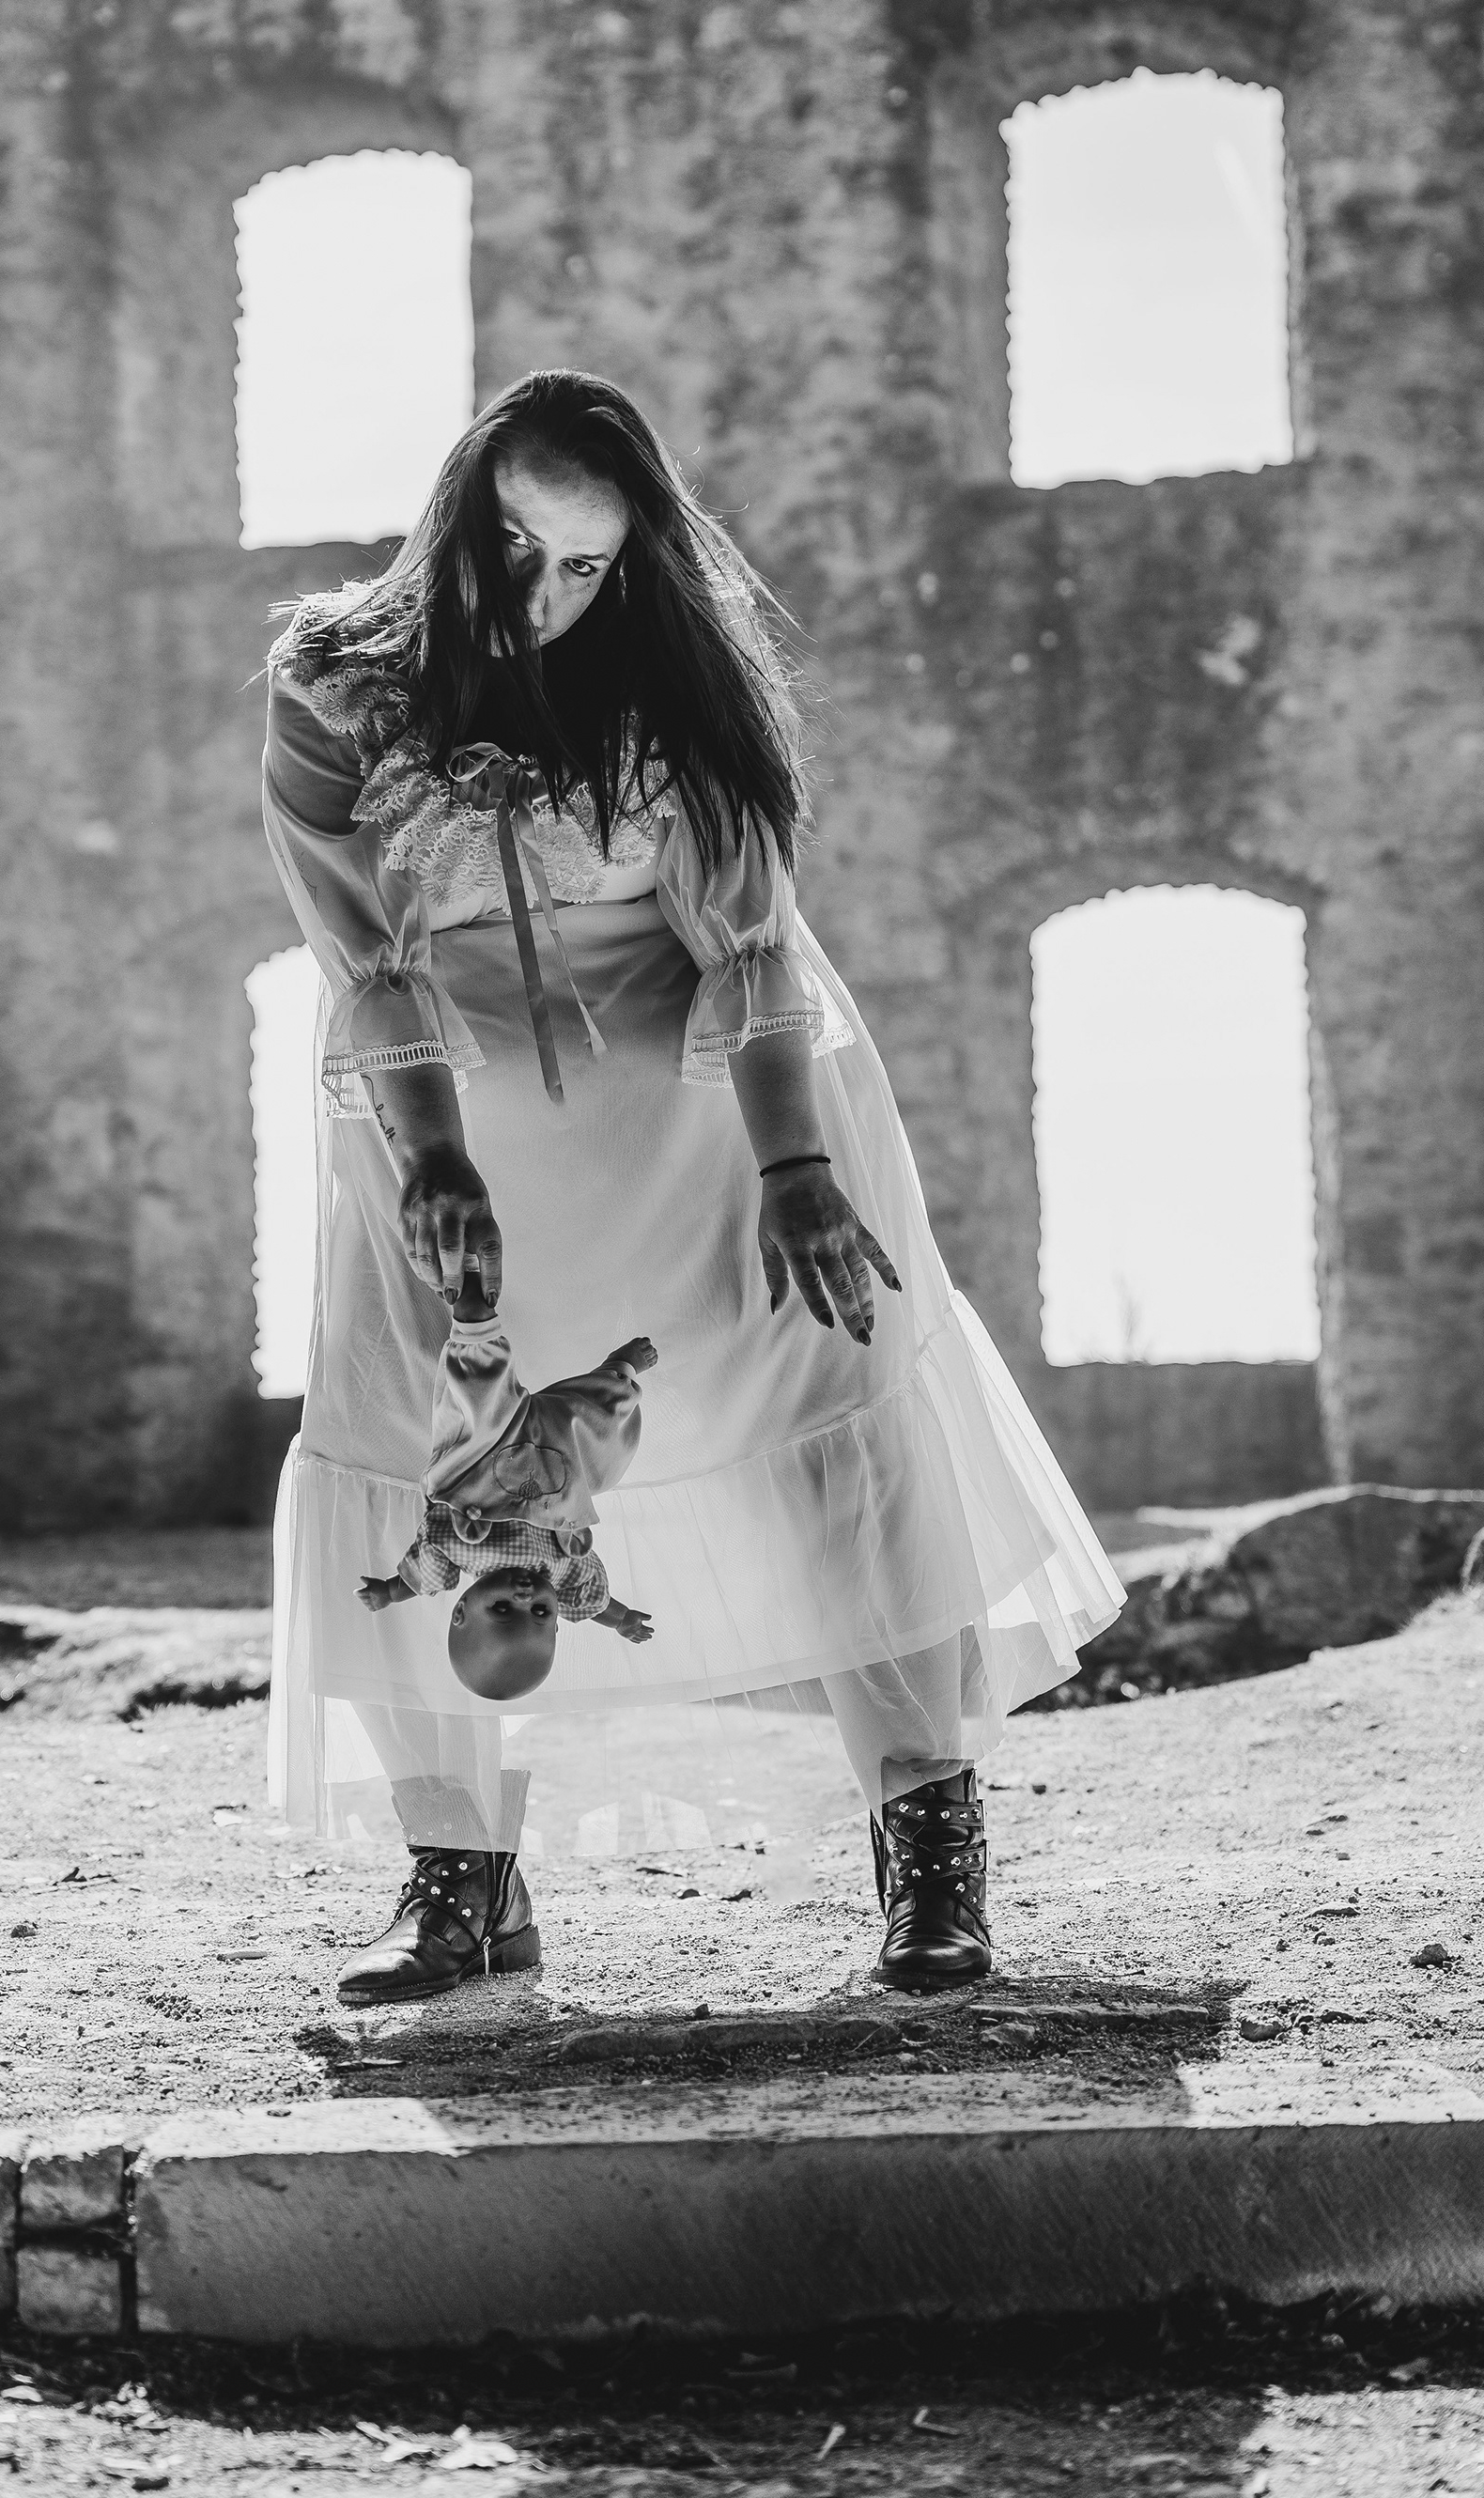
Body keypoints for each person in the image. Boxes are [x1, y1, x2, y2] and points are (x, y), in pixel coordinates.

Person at [261, 366, 1126, 2006]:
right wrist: (433, 1159)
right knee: (404, 1434)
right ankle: (459, 1882)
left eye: (586, 565)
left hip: (712, 1102)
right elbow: (360, 952)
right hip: (431, 1106)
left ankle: (930, 1855)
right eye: (518, 549)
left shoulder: (674, 683)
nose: (545, 595)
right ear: (455, 516)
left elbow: (749, 944)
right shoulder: (334, 685)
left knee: (828, 1406)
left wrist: (797, 1166)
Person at [355, 1264, 657, 1710]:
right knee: (602, 1442)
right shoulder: (567, 1577)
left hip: (484, 1454)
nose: (525, 1597)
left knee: (478, 1401)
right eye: (541, 1612)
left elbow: (416, 1581)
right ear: (557, 1622)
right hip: (557, 1461)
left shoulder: (455, 1553)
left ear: (461, 1609)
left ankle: (475, 1325)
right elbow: (596, 1605)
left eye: (501, 1609)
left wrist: (387, 1591)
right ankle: (620, 1370)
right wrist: (622, 1619)